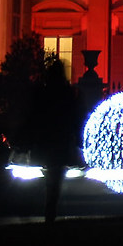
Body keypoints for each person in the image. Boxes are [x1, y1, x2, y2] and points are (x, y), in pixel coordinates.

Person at [22, 59, 81, 224]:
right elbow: (75, 118)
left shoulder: (42, 92)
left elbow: (32, 116)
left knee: (46, 177)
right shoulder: (68, 93)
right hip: (60, 141)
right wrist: (78, 140)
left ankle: (43, 209)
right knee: (55, 180)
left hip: (45, 140)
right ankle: (50, 212)